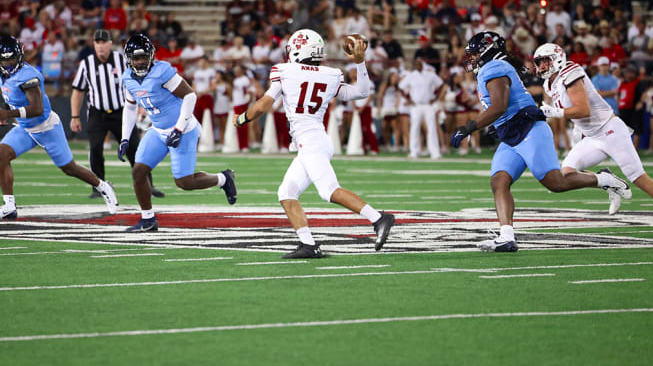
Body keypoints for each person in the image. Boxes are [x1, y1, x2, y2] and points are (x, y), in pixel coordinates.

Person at [450, 32, 631, 252]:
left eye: (477, 52)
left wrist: (469, 128)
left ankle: (604, 179)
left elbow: (499, 106)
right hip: (511, 135)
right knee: (499, 182)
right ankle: (506, 237)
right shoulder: (494, 68)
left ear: (488, 50)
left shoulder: (494, 68)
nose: (473, 58)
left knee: (556, 183)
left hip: (529, 131)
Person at [232, 29, 395, 258]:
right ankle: (309, 245)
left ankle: (378, 218)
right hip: (315, 140)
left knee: (329, 191)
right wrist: (360, 63)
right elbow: (361, 92)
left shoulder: (286, 71)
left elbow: (262, 106)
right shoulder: (329, 74)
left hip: (311, 143)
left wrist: (240, 119)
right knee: (286, 192)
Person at [119, 33, 237, 232]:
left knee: (184, 182)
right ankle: (148, 219)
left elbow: (190, 96)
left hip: (183, 128)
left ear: (151, 56)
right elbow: (130, 108)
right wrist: (124, 138)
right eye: (136, 58)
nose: (140, 62)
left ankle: (224, 178)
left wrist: (178, 128)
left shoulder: (162, 71)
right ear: (129, 59)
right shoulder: (127, 78)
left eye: (143, 57)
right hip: (157, 129)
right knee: (138, 171)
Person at [0, 34, 118, 219]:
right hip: (24, 128)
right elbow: (10, 96)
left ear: (20, 56)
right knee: (1, 155)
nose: (8, 64)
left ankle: (102, 186)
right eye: (4, 60)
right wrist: (7, 111)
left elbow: (37, 109)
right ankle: (9, 205)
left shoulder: (28, 75)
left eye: (12, 60)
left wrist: (8, 114)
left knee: (69, 168)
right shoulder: (4, 74)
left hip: (46, 126)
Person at [534, 44, 653, 213]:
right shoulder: (549, 85)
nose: (542, 66)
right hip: (592, 136)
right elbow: (572, 110)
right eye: (538, 62)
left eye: (545, 61)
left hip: (609, 131)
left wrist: (556, 112)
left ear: (557, 58)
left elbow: (583, 109)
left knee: (639, 178)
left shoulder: (570, 72)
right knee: (565, 175)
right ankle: (607, 180)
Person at [71, 29, 164, 199]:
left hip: (121, 112)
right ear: (94, 45)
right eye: (97, 43)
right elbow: (78, 91)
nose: (100, 46)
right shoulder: (87, 63)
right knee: (95, 149)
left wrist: (142, 106)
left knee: (135, 149)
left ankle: (148, 185)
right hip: (97, 112)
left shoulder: (122, 60)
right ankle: (99, 187)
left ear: (109, 44)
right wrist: (74, 116)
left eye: (103, 43)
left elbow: (140, 80)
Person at [398, 58, 443, 159]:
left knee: (431, 128)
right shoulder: (410, 76)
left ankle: (434, 152)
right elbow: (401, 87)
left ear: (422, 65)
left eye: (419, 64)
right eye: (416, 64)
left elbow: (440, 84)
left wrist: (435, 97)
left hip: (428, 104)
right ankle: (414, 151)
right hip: (416, 105)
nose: (417, 65)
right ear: (414, 65)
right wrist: (408, 99)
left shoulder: (430, 74)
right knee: (414, 128)